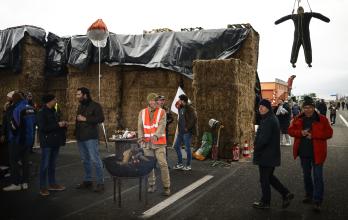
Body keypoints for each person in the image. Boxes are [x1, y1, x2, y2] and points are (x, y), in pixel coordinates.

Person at [288, 96, 333, 212]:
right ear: (303, 108)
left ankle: (317, 200)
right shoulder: (298, 118)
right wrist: (300, 132)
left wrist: (314, 136)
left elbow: (329, 133)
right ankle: (309, 195)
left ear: (314, 108)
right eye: (305, 108)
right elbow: (290, 131)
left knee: (318, 177)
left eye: (310, 107)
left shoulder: (322, 119)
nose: (307, 110)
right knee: (307, 176)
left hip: (318, 153)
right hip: (304, 153)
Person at [253, 99, 294, 209]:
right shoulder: (269, 118)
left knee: (264, 179)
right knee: (269, 177)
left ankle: (265, 202)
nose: (260, 108)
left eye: (263, 106)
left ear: (268, 108)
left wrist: (255, 148)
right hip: (271, 154)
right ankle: (286, 193)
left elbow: (263, 139)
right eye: (259, 106)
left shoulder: (268, 120)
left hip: (266, 155)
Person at [138, 93, 171, 196]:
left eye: (155, 100)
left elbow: (162, 125)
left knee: (163, 164)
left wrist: (156, 136)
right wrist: (140, 137)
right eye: (152, 100)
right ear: (149, 101)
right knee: (149, 165)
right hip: (147, 143)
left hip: (159, 143)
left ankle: (166, 187)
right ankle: (152, 185)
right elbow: (140, 127)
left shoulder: (162, 112)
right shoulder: (142, 112)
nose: (154, 102)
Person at [2, 92, 36, 191]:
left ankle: (16, 183)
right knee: (25, 161)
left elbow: (14, 126)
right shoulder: (30, 108)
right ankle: (25, 182)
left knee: (13, 161)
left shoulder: (17, 109)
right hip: (28, 139)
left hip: (17, 140)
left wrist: (11, 136)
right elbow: (33, 122)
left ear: (14, 99)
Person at [75, 87, 105, 192]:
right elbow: (78, 121)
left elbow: (101, 119)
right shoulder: (80, 106)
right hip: (80, 137)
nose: (77, 96)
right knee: (85, 160)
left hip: (91, 137)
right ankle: (88, 180)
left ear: (85, 95)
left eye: (79, 94)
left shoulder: (96, 106)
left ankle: (100, 182)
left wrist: (86, 119)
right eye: (77, 94)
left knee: (95, 160)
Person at [37, 94, 67, 196]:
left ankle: (52, 184)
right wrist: (58, 125)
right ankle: (42, 187)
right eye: (54, 99)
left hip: (55, 141)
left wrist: (62, 124)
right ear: (49, 101)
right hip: (47, 142)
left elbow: (54, 125)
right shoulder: (41, 112)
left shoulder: (54, 111)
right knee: (44, 165)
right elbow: (43, 128)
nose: (56, 100)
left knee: (52, 164)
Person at [173, 94, 197, 171]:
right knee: (176, 146)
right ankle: (180, 163)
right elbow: (180, 117)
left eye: (180, 100)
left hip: (187, 132)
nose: (178, 101)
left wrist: (187, 128)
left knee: (187, 148)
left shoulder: (190, 109)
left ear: (183, 101)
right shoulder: (180, 108)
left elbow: (194, 119)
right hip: (180, 132)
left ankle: (188, 165)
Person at [156, 95, 174, 165]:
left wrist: (165, 123)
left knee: (164, 147)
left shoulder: (167, 109)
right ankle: (154, 164)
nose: (162, 101)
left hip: (164, 131)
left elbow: (171, 119)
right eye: (160, 100)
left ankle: (165, 163)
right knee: (154, 146)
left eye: (163, 100)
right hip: (155, 131)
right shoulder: (155, 109)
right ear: (157, 101)